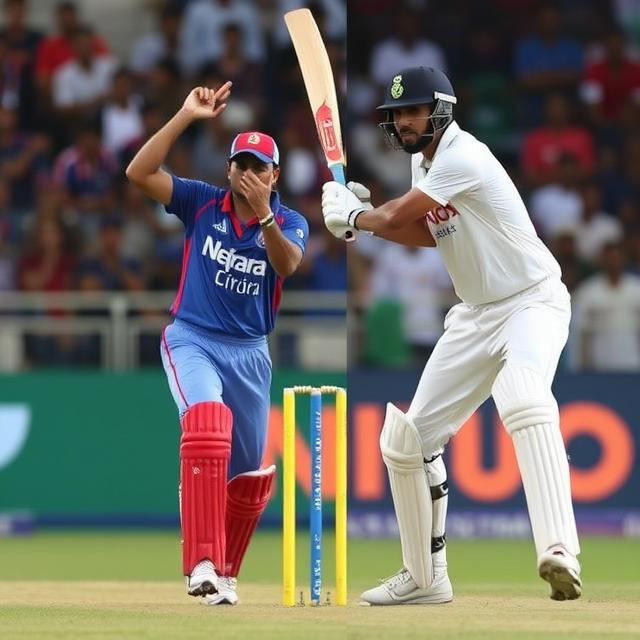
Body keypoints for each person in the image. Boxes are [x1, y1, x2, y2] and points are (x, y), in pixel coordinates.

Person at [322, 66, 581, 605]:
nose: (403, 122)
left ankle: (560, 550)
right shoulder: (424, 161)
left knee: (524, 394)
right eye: (396, 114)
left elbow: (397, 213)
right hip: (474, 316)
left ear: (441, 109)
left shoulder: (465, 155)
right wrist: (362, 218)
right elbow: (427, 230)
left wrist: (360, 217)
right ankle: (425, 578)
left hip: (532, 299)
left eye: (413, 110)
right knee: (406, 441)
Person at [126, 82, 308, 605]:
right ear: (228, 170)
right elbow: (138, 173)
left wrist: (267, 215)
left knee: (250, 476)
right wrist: (184, 114)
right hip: (193, 338)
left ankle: (224, 573)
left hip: (250, 351)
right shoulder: (202, 203)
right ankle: (200, 561)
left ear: (275, 175)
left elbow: (287, 265)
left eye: (259, 167)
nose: (248, 174)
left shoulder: (289, 222)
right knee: (208, 424)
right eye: (241, 165)